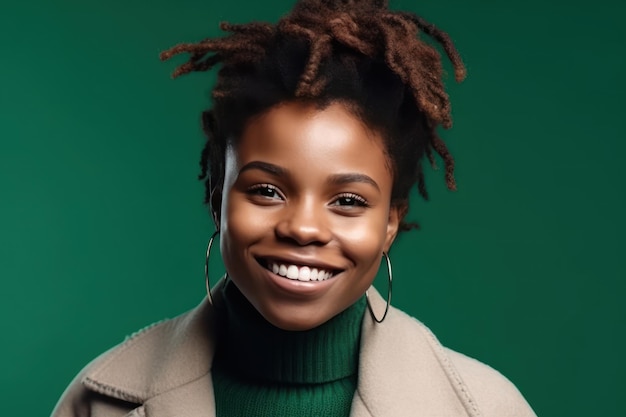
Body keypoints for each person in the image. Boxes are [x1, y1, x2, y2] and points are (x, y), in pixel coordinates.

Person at [52, 0, 536, 416]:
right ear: (218, 197)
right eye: (266, 191)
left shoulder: (488, 408)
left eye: (347, 201)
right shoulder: (99, 403)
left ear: (390, 223)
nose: (303, 228)